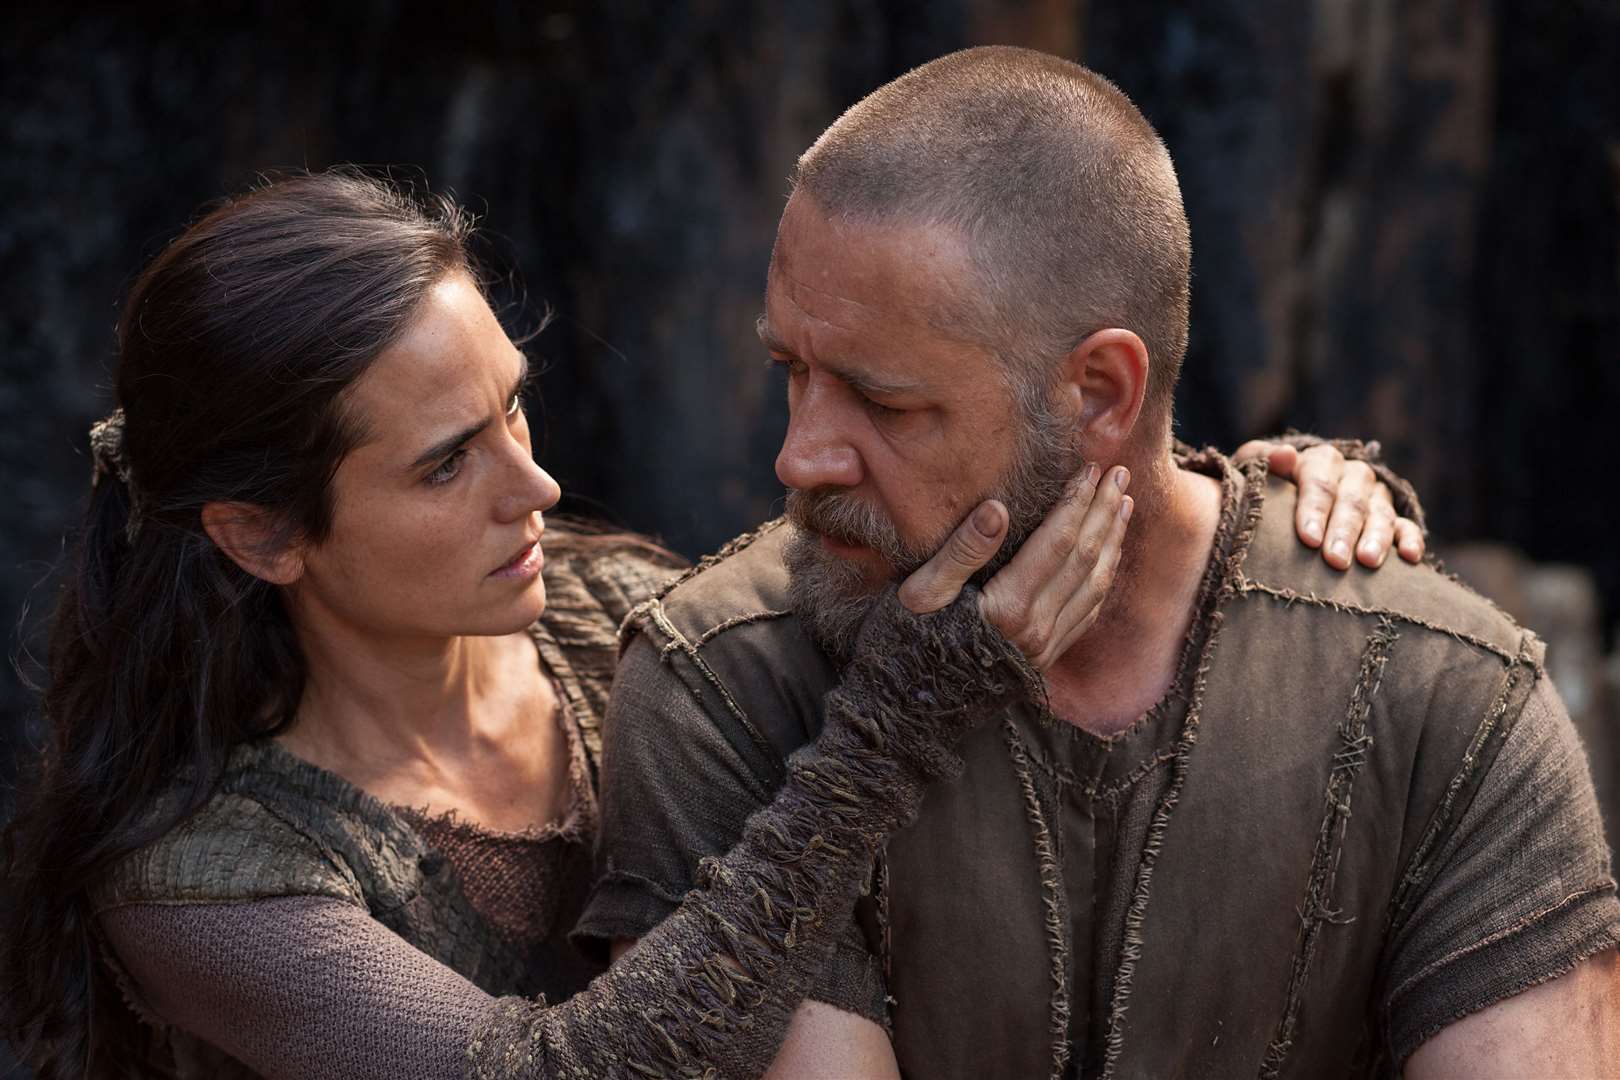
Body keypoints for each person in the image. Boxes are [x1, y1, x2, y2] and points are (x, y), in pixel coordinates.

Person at [0, 171, 1399, 1078]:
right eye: (447, 463)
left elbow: (927, 552)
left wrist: (1222, 509)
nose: (533, 486)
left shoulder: (615, 615)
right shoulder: (205, 879)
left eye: (514, 408)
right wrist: (885, 733)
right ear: (260, 533)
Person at [580, 46, 1620, 1079]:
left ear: (1102, 395)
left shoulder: (1443, 696)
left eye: (887, 403)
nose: (796, 456)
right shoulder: (722, 681)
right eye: (789, 370)